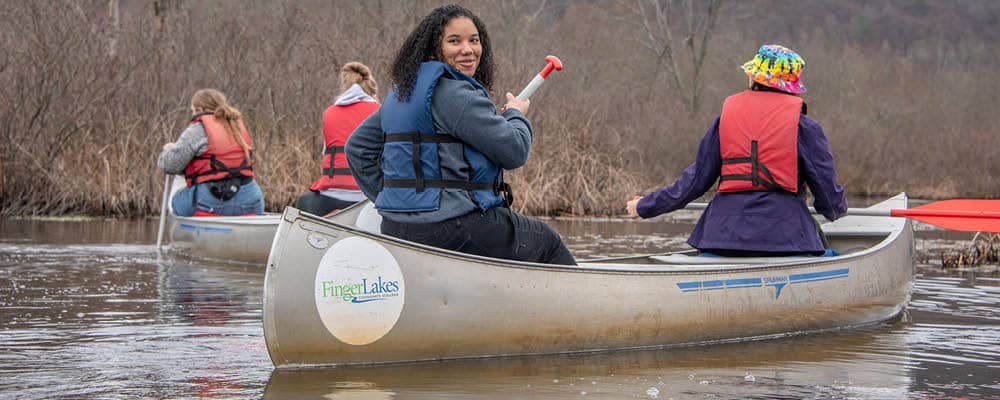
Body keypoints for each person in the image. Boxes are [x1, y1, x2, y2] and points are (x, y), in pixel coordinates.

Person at [346, 4, 576, 265]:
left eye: (474, 41)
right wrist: (516, 114)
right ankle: (582, 304)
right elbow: (515, 151)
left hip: (396, 225)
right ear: (435, 47)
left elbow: (357, 148)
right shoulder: (457, 94)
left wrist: (397, 201)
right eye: (454, 41)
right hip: (452, 227)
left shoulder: (401, 93)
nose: (468, 49)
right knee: (546, 241)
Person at [626, 44, 847, 257]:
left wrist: (645, 206)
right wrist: (836, 210)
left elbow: (693, 183)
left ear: (754, 78)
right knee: (829, 252)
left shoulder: (726, 120)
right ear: (792, 87)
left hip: (721, 236)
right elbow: (828, 199)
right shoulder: (805, 127)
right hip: (786, 238)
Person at [158, 89, 264, 217]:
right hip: (251, 202)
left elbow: (170, 166)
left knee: (175, 199)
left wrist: (169, 150)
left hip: (210, 203)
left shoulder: (197, 129)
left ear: (199, 109)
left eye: (192, 110)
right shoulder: (237, 127)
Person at [296, 62, 380, 216]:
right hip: (367, 196)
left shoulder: (330, 113)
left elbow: (326, 153)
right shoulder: (379, 111)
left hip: (330, 197)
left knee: (302, 201)